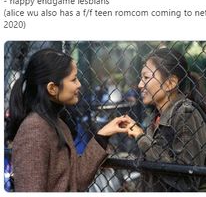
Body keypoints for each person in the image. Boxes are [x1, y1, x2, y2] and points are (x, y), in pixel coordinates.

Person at [5, 48, 130, 192]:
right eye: (73, 79)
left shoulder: (57, 124)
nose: (79, 84)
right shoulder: (34, 130)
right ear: (52, 88)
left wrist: (103, 136)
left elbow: (75, 180)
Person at [126, 48, 206, 191]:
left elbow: (186, 180)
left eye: (146, 77)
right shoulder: (157, 116)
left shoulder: (186, 114)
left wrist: (141, 137)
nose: (140, 84)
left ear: (170, 83)